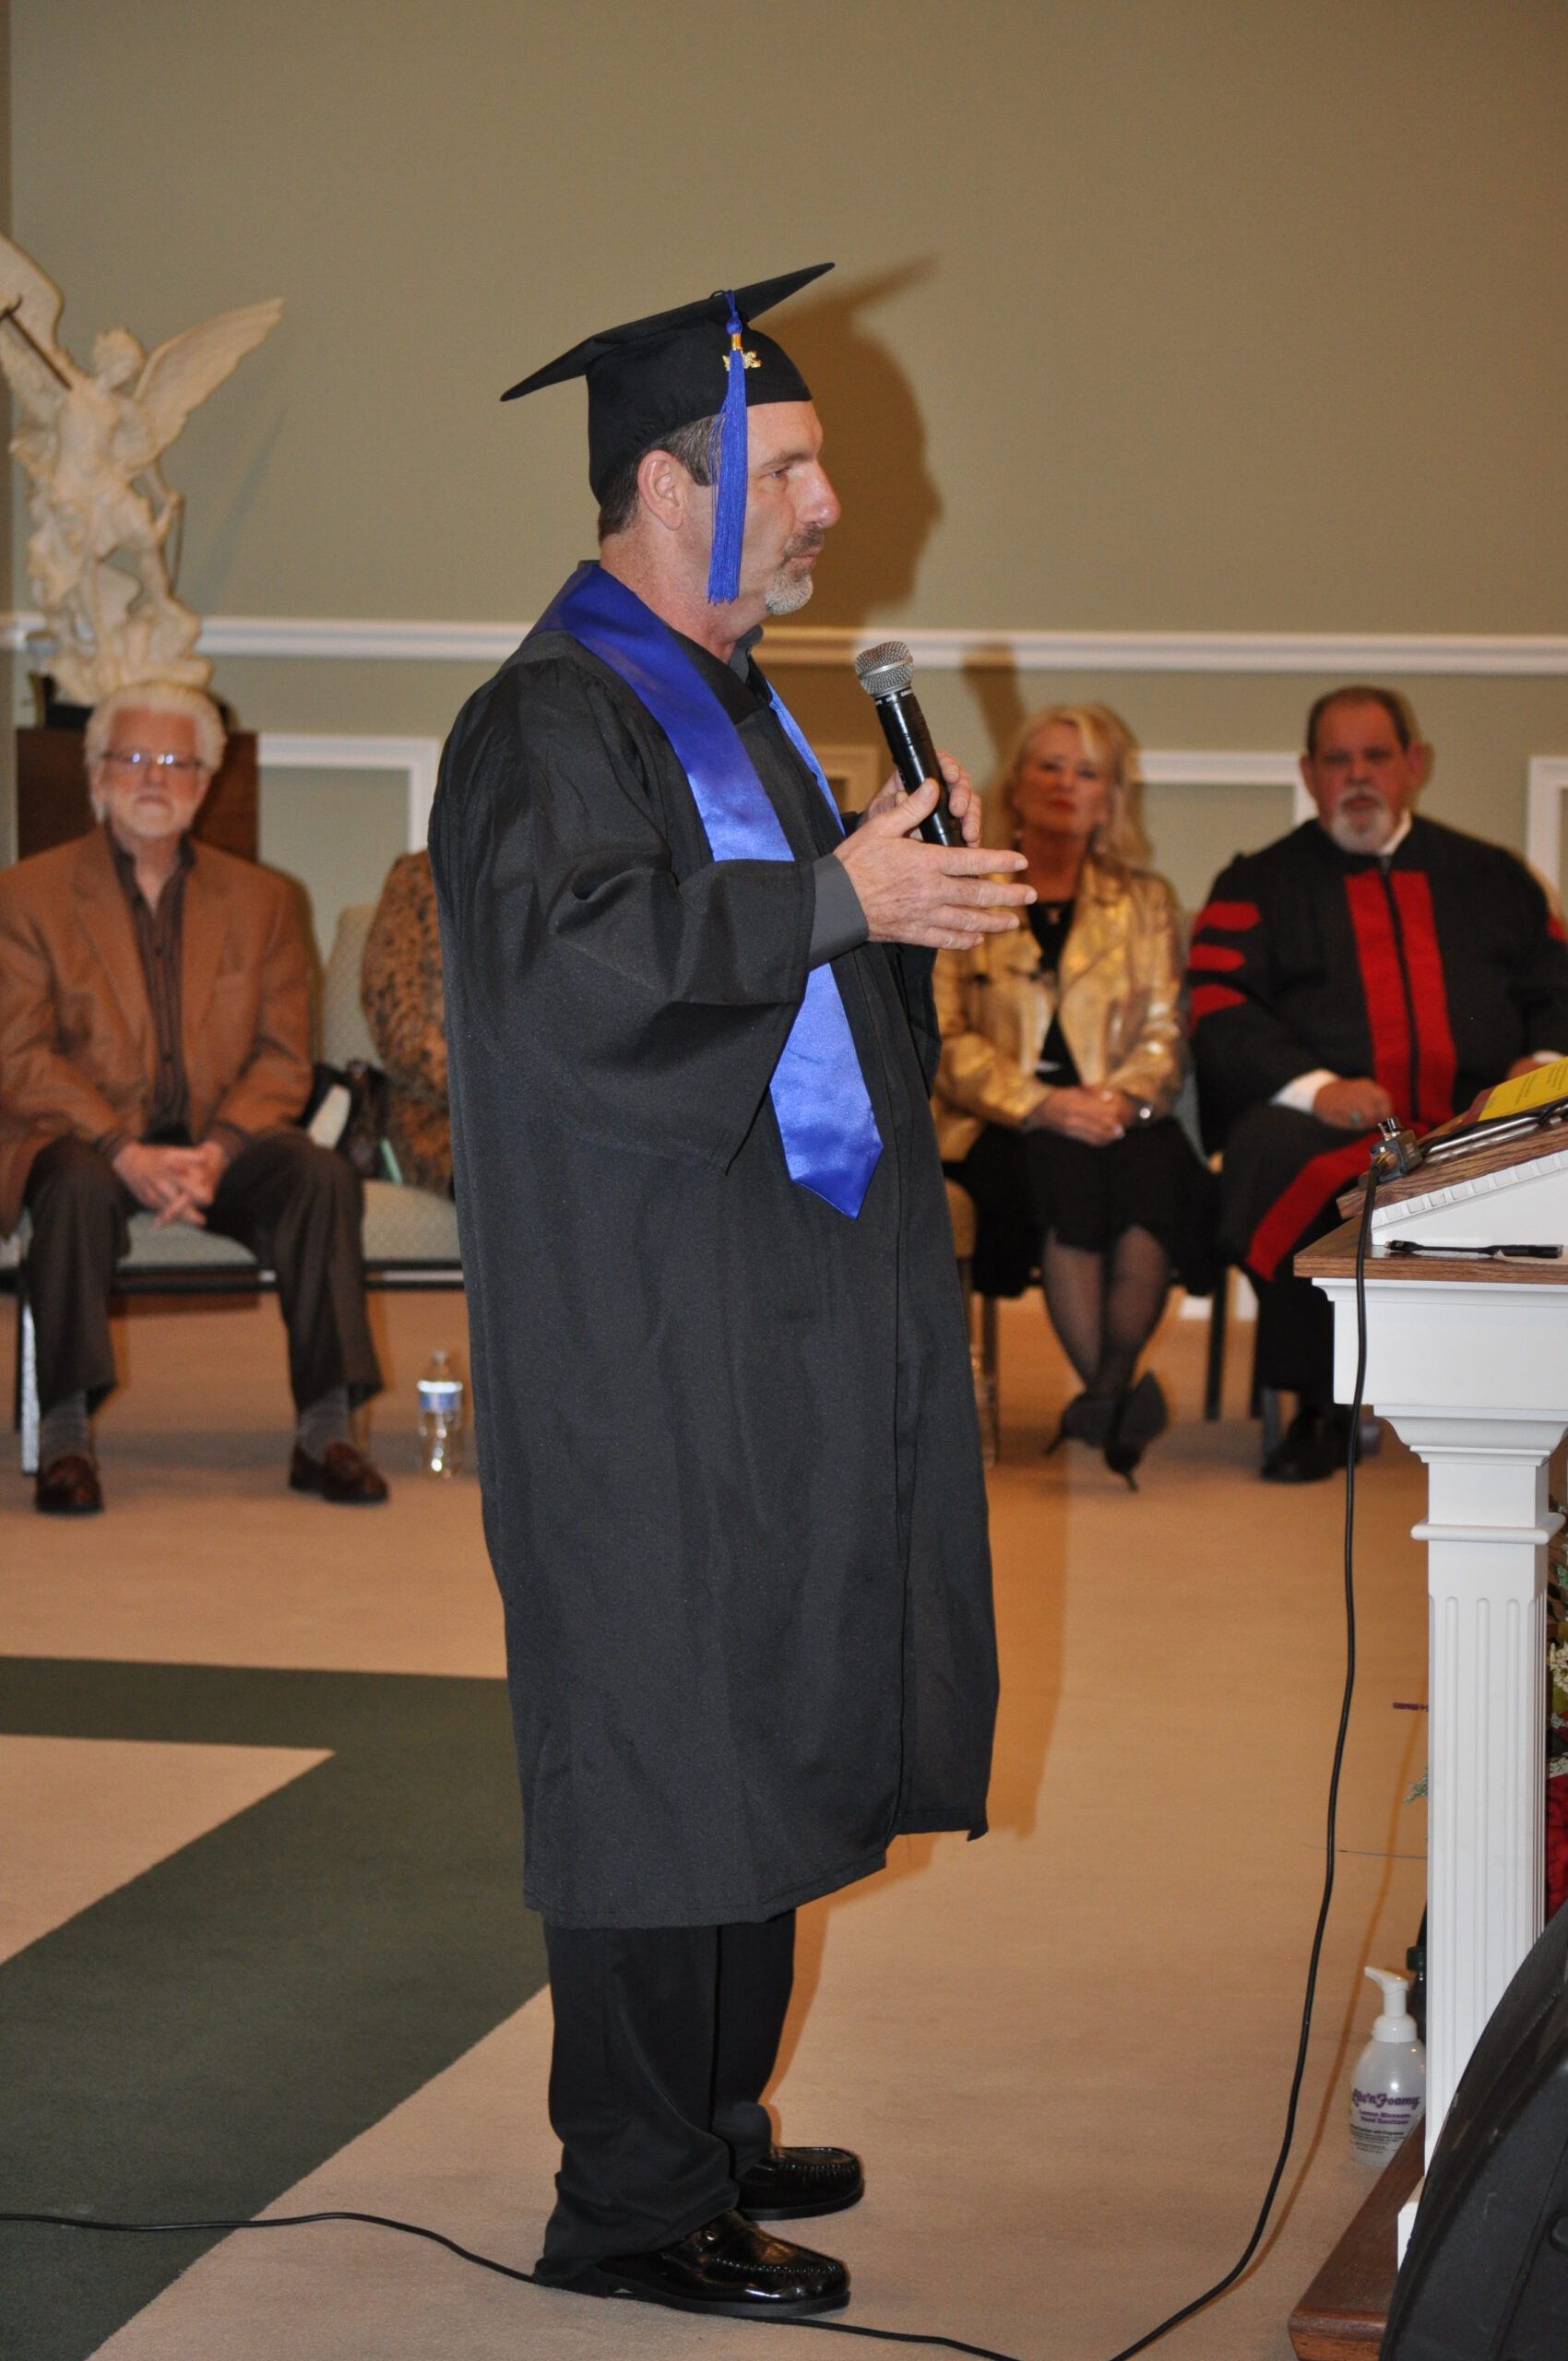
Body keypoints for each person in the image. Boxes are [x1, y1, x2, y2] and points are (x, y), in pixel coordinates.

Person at [430, 264, 1028, 2324]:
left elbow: (772, 973)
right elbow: (574, 980)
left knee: (770, 1693)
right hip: (652, 1330)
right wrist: (829, 892)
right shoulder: (547, 718)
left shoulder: (741, 700)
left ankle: (714, 2114)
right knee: (663, 1733)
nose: (830, 501)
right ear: (664, 483)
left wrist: (884, 881)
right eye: (788, 467)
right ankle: (627, 2194)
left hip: (782, 1296)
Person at [0, 680, 388, 1513]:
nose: (153, 777)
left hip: (222, 1144)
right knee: (67, 1182)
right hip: (92, 1143)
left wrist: (218, 1151)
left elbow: (285, 1058)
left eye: (176, 761)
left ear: (206, 783)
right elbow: (19, 1054)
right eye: (131, 757)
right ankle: (64, 1435)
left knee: (319, 1178)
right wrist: (122, 1149)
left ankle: (325, 1430)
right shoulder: (27, 895)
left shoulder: (264, 901)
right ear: (94, 773)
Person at [1189, 683, 1568, 1480]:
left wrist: (1532, 1073)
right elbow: (1219, 1006)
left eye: (1376, 756)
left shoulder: (1493, 877)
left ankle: (1521, 1390)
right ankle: (1320, 1409)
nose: (1357, 775)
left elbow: (1557, 988)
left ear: (1413, 764)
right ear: (1307, 771)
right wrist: (1313, 1086)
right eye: (1337, 759)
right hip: (1327, 1123)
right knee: (1288, 1160)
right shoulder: (1258, 882)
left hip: (1479, 1119)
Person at [935, 703, 1213, 1483]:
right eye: (1049, 765)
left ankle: (1101, 1395)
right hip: (1003, 1122)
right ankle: (1117, 1398)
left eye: (1086, 771)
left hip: (1122, 1111)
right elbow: (946, 1040)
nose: (1065, 783)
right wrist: (1041, 1104)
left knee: (1157, 1173)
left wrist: (1121, 1103)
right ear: (1017, 784)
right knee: (1060, 1168)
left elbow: (1166, 1031)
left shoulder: (1146, 900)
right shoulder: (964, 885)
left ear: (1110, 799)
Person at [361, 848, 451, 1195]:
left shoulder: (564, 876)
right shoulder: (419, 877)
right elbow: (395, 1020)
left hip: (556, 1112)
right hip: (436, 1114)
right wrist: (495, 1090)